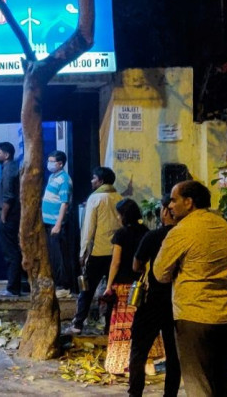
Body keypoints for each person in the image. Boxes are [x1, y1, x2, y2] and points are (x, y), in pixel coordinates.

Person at [153, 180, 227, 397]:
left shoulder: (182, 230)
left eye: (173, 200)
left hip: (193, 316)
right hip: (226, 315)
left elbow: (160, 273)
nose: (169, 205)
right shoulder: (223, 225)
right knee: (221, 383)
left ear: (188, 202)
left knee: (199, 384)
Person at [128, 194, 181, 397]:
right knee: (173, 354)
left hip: (152, 300)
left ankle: (135, 392)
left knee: (139, 350)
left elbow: (136, 265)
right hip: (176, 302)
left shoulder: (153, 236)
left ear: (167, 210)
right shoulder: (184, 235)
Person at [67, 166, 122, 334]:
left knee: (86, 290)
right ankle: (108, 326)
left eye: (94, 178)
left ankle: (77, 324)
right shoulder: (119, 197)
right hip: (116, 253)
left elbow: (88, 228)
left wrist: (83, 252)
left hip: (97, 251)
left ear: (101, 181)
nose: (92, 181)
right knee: (111, 290)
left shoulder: (95, 198)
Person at [101, 199, 149, 374]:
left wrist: (108, 285)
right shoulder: (146, 231)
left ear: (123, 215)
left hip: (122, 285)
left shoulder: (121, 234)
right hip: (140, 284)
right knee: (140, 324)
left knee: (121, 324)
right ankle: (146, 363)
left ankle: (119, 362)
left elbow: (115, 262)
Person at [41, 150, 74, 297]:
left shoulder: (64, 180)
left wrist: (58, 224)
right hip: (48, 222)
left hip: (56, 223)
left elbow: (64, 203)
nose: (49, 163)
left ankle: (63, 286)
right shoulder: (53, 177)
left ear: (60, 163)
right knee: (53, 256)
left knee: (60, 255)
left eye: (52, 161)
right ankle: (56, 284)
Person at [0, 142, 21, 297]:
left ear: (6, 155)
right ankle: (13, 286)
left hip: (9, 216)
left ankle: (13, 288)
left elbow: (9, 195)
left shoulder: (9, 169)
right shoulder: (7, 168)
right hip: (10, 215)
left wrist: (4, 215)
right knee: (10, 252)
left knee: (11, 252)